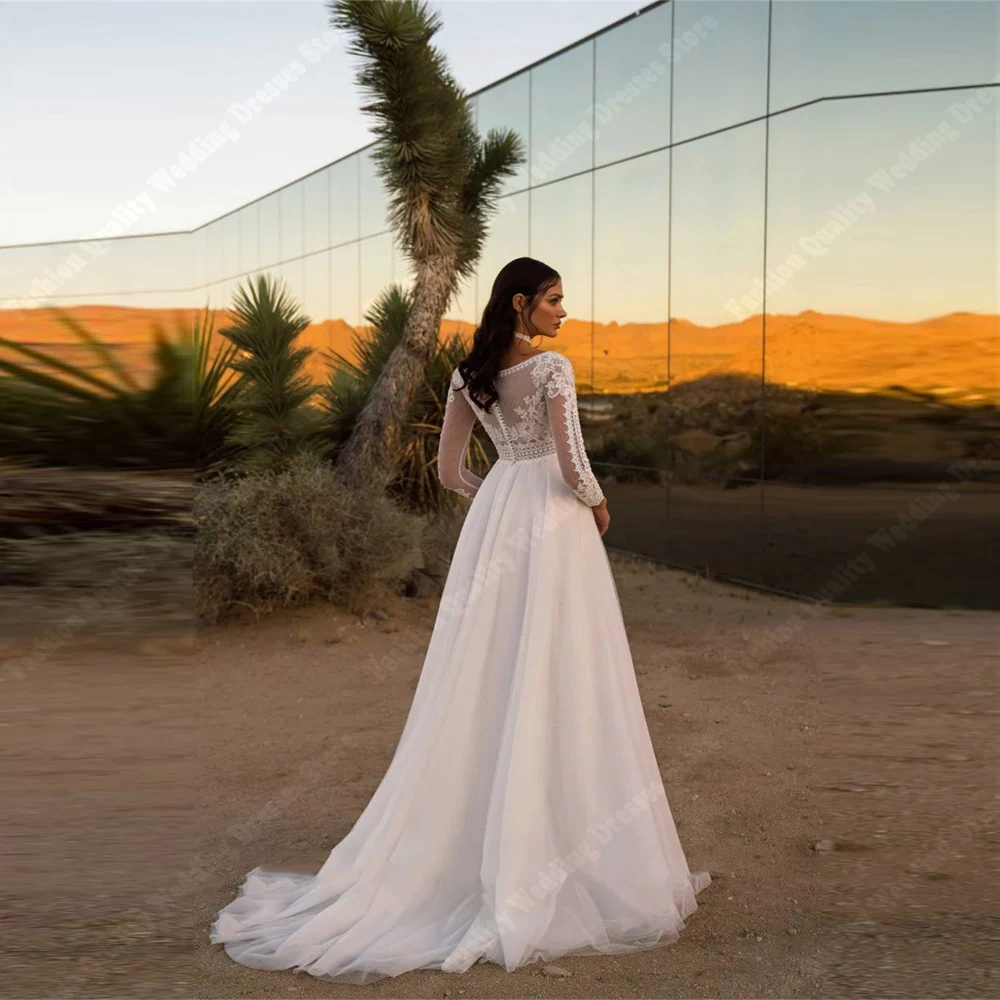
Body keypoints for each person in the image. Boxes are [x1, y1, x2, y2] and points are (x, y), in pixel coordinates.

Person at [209, 256, 710, 984]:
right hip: (553, 528)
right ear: (521, 303)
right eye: (555, 300)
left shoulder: (465, 375)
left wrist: (500, 498)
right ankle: (557, 839)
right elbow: (572, 465)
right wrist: (597, 504)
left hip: (501, 519)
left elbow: (449, 474)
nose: (564, 313)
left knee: (488, 667)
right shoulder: (552, 370)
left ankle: (481, 835)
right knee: (563, 664)